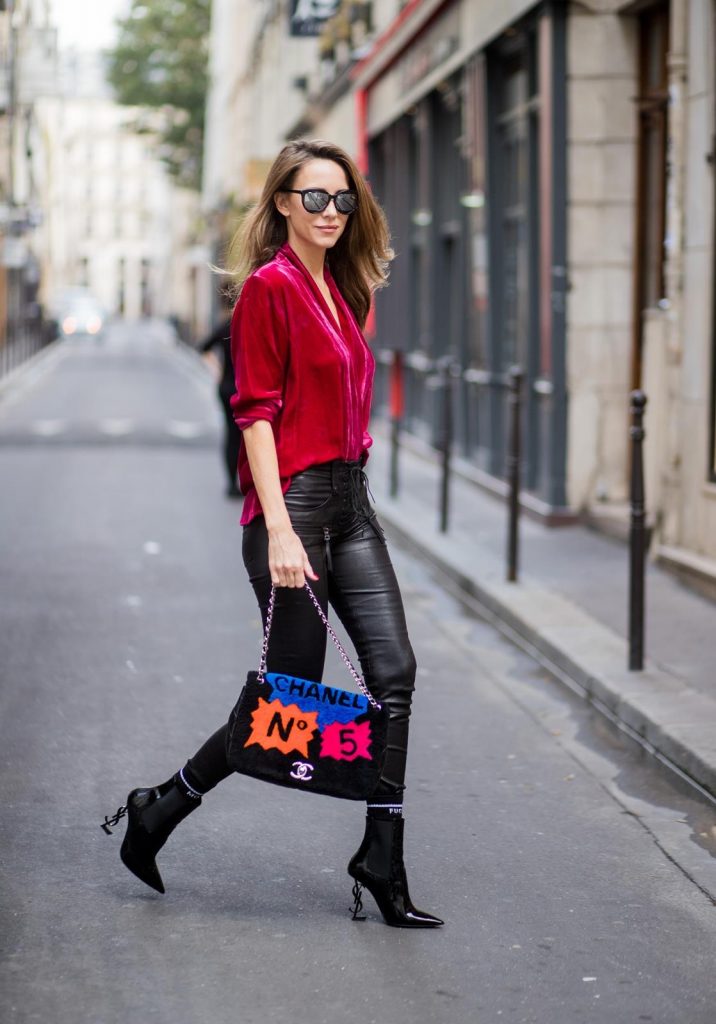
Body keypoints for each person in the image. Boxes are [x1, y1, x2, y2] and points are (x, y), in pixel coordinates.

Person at [104, 139, 443, 929]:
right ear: (284, 203)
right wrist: (282, 531)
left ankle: (382, 858)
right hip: (293, 508)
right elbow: (255, 416)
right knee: (285, 697)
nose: (331, 212)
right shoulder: (268, 289)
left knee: (395, 673)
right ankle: (159, 807)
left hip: (352, 505)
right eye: (314, 197)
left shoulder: (349, 290)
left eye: (342, 199)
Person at [198, 293, 242, 498]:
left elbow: (203, 347)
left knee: (231, 435)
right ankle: (244, 481)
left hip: (225, 387)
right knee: (248, 436)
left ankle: (231, 484)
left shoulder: (226, 326)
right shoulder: (247, 323)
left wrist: (217, 371)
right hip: (245, 387)